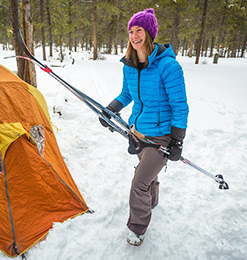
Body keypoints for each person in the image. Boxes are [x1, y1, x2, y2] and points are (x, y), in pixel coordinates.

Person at [99, 8, 189, 246]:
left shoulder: (168, 66)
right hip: (137, 131)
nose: (134, 35)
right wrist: (111, 109)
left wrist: (177, 141)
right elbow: (127, 93)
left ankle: (137, 227)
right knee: (146, 172)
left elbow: (180, 107)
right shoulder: (129, 64)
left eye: (139, 30)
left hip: (161, 137)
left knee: (139, 183)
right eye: (131, 31)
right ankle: (153, 200)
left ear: (150, 33)